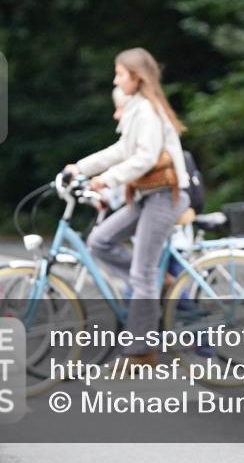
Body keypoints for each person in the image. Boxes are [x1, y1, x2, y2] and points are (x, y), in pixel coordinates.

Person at [64, 48, 190, 366]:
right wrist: (81, 167)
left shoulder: (148, 110)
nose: (116, 79)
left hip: (165, 195)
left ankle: (142, 352)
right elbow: (121, 149)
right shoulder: (135, 109)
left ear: (137, 77)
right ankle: (159, 284)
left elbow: (145, 158)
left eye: (120, 74)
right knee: (100, 240)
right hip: (148, 195)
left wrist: (106, 180)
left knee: (141, 272)